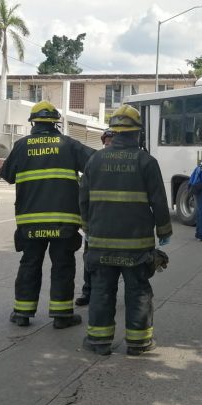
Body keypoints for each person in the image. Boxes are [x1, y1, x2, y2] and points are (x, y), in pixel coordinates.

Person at [80, 105, 172, 356]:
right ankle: (139, 343)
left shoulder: (94, 160)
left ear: (114, 132)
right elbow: (159, 201)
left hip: (100, 243)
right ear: (137, 134)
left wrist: (87, 227)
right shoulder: (146, 161)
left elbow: (84, 199)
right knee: (139, 291)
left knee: (101, 291)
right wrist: (164, 232)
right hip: (136, 245)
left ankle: (99, 342)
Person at [0, 101, 95, 329]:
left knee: (29, 264)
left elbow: (7, 175)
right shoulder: (69, 144)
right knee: (63, 265)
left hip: (30, 222)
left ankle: (22, 314)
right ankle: (62, 316)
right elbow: (96, 163)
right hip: (64, 221)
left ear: (33, 123)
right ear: (56, 123)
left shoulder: (21, 146)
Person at [75, 129, 115, 308]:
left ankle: (109, 292)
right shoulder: (94, 162)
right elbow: (84, 194)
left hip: (116, 222)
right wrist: (86, 223)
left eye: (111, 143)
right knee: (90, 258)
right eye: (106, 143)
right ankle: (88, 291)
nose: (108, 146)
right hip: (96, 221)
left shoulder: (128, 163)